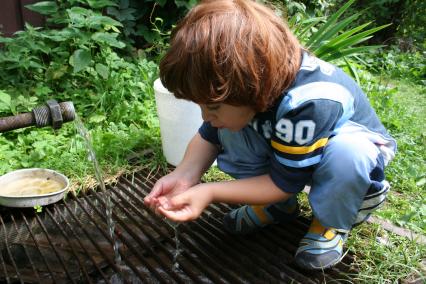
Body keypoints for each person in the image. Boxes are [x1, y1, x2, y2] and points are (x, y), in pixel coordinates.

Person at [144, 0, 396, 270]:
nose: (205, 116)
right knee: (227, 128)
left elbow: (284, 182)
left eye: (213, 106)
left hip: (348, 152)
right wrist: (184, 176)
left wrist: (209, 191)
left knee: (348, 155)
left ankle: (330, 222)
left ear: (250, 86)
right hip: (292, 147)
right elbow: (208, 136)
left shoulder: (309, 101)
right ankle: (279, 208)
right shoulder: (255, 85)